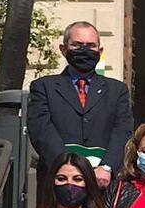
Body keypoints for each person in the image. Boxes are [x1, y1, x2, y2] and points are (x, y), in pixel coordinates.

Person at [28, 21, 135, 191]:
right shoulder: (43, 87)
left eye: (91, 46)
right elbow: (41, 130)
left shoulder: (117, 90)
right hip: (57, 182)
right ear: (64, 49)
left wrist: (107, 167)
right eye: (77, 45)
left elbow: (123, 130)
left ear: (100, 51)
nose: (84, 50)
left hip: (103, 182)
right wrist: (67, 169)